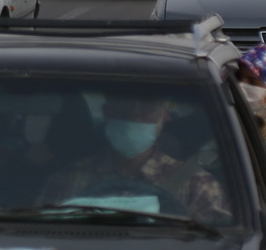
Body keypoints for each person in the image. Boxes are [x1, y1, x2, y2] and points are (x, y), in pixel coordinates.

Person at [44, 93, 232, 225]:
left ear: (164, 116)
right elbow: (45, 238)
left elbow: (216, 248)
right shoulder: (68, 179)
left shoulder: (198, 185)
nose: (134, 113)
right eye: (124, 102)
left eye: (147, 104)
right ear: (107, 111)